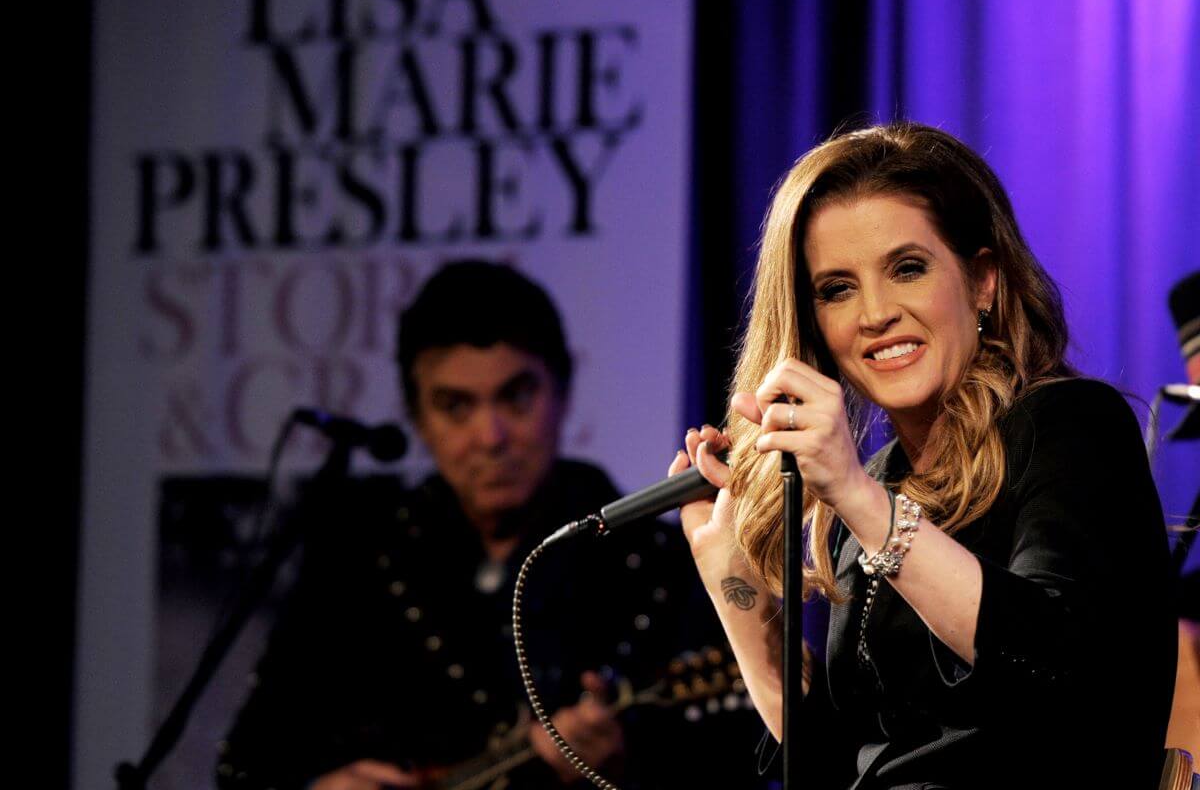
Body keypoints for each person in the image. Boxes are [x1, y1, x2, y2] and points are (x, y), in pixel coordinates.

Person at [669, 122, 1178, 789]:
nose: (875, 313)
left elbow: (1057, 672)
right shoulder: (878, 490)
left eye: (907, 269)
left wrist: (858, 500)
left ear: (983, 281)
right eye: (837, 289)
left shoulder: (1069, 426)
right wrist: (729, 575)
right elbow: (827, 769)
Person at [217, 260, 767, 790]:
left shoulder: (659, 565)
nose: (491, 435)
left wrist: (626, 768)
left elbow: (755, 761)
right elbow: (244, 765)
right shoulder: (357, 566)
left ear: (563, 391)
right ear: (417, 417)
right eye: (456, 406)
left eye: (517, 395)